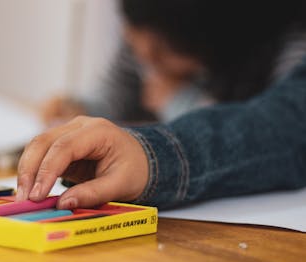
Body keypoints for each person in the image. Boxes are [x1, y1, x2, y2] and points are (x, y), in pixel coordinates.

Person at [16, 0, 306, 210]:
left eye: (162, 54)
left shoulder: (286, 48)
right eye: (132, 37)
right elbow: (116, 95)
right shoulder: (149, 29)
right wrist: (79, 107)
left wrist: (176, 104)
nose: (145, 56)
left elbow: (283, 128)